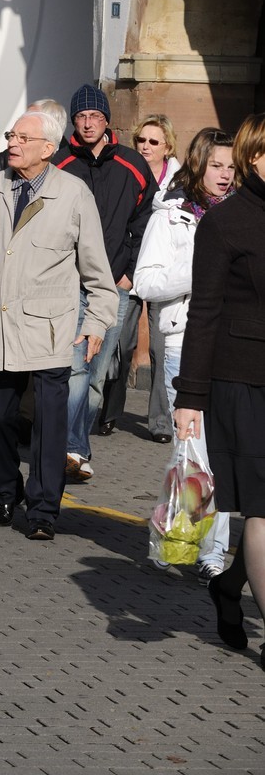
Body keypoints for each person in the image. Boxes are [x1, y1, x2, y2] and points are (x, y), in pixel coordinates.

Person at [0, 107, 118, 541]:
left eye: (22, 137)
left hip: (50, 333)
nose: (12, 143)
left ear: (48, 148)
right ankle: (5, 492)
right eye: (10, 135)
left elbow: (98, 272)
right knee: (0, 421)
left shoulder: (73, 194)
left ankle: (42, 510)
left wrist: (96, 323)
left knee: (49, 428)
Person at [174, 114, 265, 657]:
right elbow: (203, 312)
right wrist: (190, 397)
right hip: (242, 380)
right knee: (261, 505)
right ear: (256, 158)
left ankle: (230, 585)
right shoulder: (226, 223)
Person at [134, 127, 235, 579]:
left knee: (221, 455)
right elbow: (146, 283)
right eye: (217, 165)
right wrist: (201, 270)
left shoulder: (241, 215)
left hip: (232, 348)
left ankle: (201, 547)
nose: (226, 175)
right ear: (197, 165)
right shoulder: (171, 216)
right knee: (194, 455)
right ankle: (188, 542)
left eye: (233, 166)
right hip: (182, 345)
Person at [55, 85, 156, 479]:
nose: (87, 123)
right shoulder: (60, 164)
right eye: (80, 117)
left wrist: (130, 271)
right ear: (73, 121)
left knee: (97, 374)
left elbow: (145, 220)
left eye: (94, 116)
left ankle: (73, 447)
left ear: (107, 120)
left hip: (116, 284)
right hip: (72, 284)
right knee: (77, 367)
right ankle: (74, 450)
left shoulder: (132, 164)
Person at [119, 113, 182, 444]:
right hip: (128, 269)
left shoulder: (181, 181)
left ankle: (160, 421)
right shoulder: (127, 172)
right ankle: (108, 411)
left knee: (160, 348)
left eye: (153, 141)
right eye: (141, 140)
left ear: (167, 146)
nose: (145, 146)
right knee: (120, 342)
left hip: (162, 275)